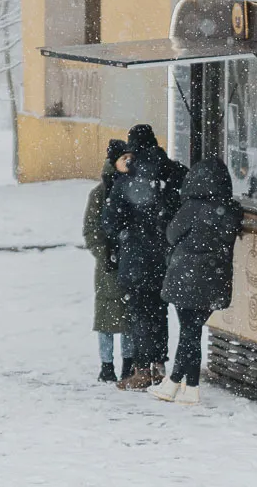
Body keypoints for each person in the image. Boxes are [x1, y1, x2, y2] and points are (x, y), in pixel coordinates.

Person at [149, 156, 242, 405]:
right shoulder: (231, 210)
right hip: (215, 281)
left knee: (189, 333)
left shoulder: (192, 207)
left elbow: (171, 235)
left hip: (186, 279)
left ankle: (174, 382)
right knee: (192, 331)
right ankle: (190, 387)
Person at [103, 124, 187, 390]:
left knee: (140, 314)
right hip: (166, 256)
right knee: (160, 312)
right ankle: (160, 367)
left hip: (135, 257)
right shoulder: (173, 173)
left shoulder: (126, 180)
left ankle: (142, 370)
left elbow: (110, 223)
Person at [82, 139, 133, 382]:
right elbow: (91, 230)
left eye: (130, 158)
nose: (129, 162)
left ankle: (129, 363)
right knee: (106, 316)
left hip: (131, 261)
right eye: (124, 158)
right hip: (108, 265)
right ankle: (106, 365)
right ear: (114, 161)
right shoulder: (99, 193)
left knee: (129, 316)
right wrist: (105, 254)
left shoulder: (134, 187)